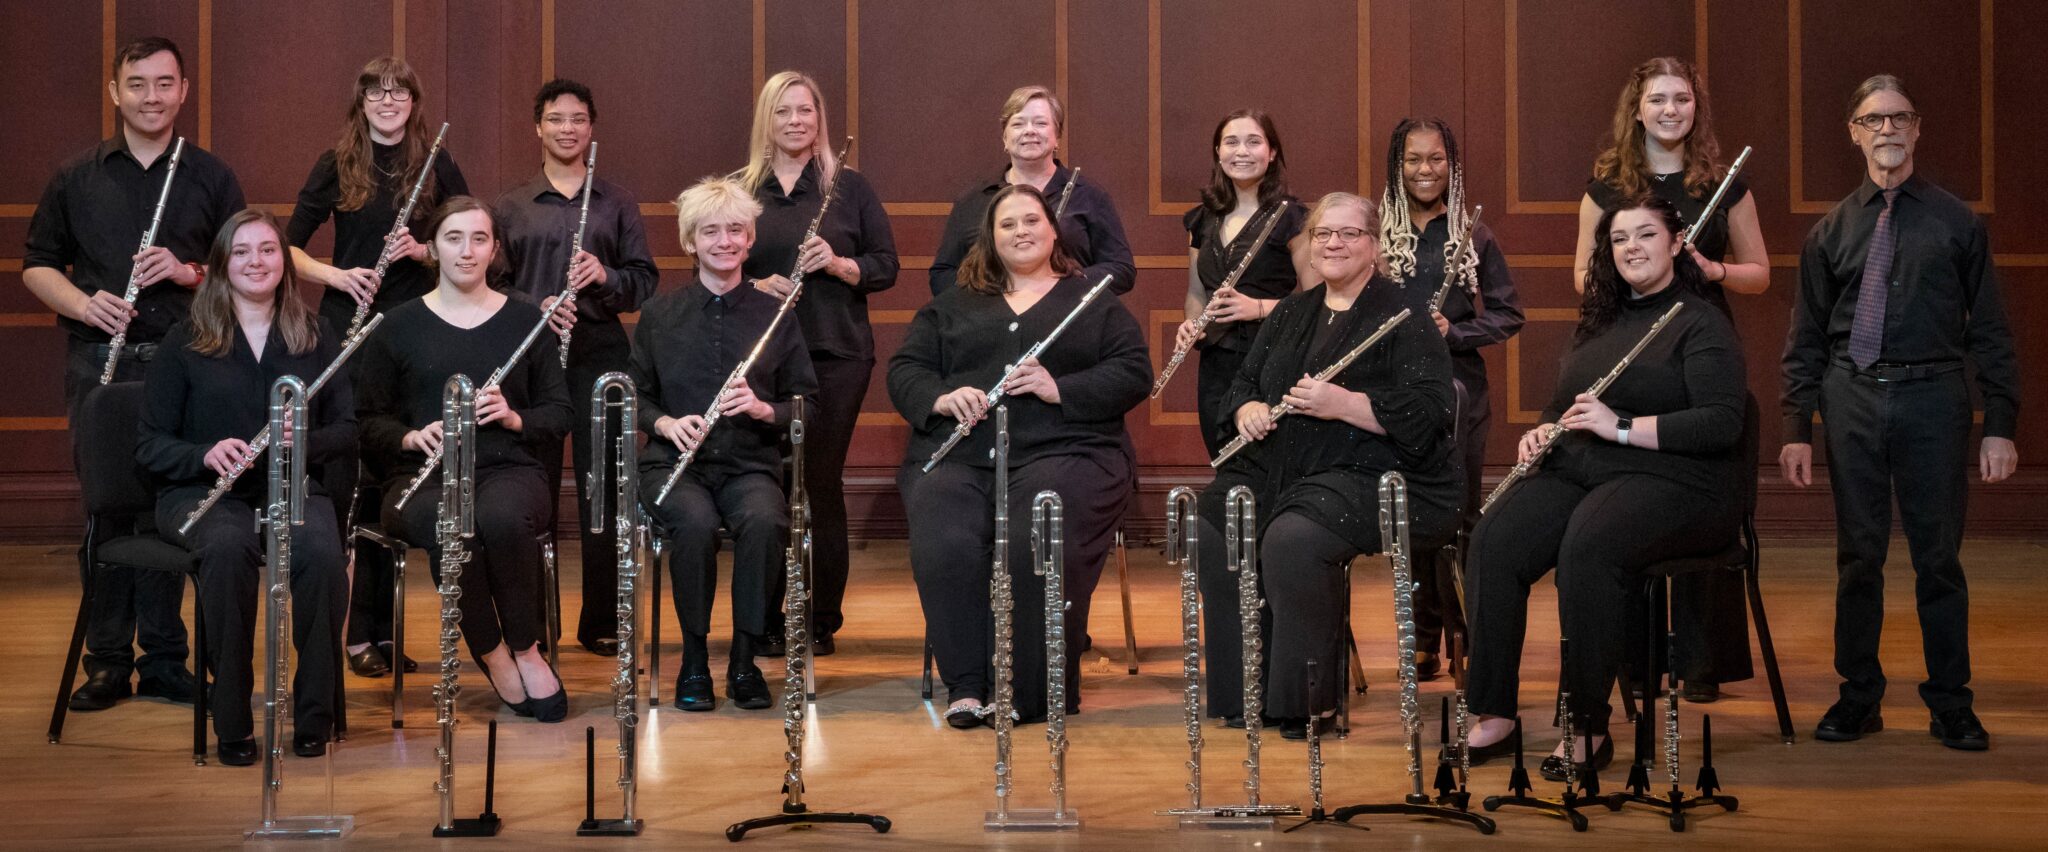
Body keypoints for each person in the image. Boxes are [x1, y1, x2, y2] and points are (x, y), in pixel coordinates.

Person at [1463, 196, 1746, 780]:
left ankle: (1587, 725)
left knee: (1587, 547)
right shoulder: (1601, 319)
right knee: (1495, 538)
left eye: (1646, 235)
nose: (1632, 248)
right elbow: (1568, 400)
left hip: (1679, 479)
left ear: (1675, 244)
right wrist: (1545, 427)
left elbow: (1722, 421)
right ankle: (1493, 712)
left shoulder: (1700, 321)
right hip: (1588, 469)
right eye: (1619, 239)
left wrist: (1619, 427)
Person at [1780, 74, 2017, 751]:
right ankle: (1859, 697)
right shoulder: (1830, 232)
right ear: (1854, 132)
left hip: (1934, 398)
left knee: (1938, 559)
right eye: (1873, 119)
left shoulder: (1956, 223)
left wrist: (1999, 421)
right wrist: (1797, 426)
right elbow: (1805, 338)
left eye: (1899, 118)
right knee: (1858, 558)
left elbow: (1992, 331)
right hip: (1850, 397)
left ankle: (1951, 703)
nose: (1887, 129)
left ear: (1917, 130)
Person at [25, 36, 244, 713]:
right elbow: (37, 265)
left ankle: (166, 660)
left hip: (184, 369)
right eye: (138, 84)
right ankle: (107, 661)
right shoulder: (76, 175)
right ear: (116, 92)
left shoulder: (209, 175)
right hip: (100, 366)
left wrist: (186, 272)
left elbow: (243, 273)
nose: (152, 96)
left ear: (183, 91)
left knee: (171, 510)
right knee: (107, 512)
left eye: (165, 84)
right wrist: (85, 303)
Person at [1195, 191, 1456, 739]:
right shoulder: (1293, 311)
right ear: (1309, 246)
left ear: (1373, 245)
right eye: (1323, 234)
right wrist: (1248, 410)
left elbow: (1431, 410)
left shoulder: (1403, 315)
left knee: (1292, 539)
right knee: (1215, 520)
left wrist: (1347, 404)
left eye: (1348, 234)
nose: (1333, 243)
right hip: (1287, 461)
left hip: (1376, 471)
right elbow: (1244, 384)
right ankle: (1246, 691)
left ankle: (1306, 701)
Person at [891, 185, 1149, 728]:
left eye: (1032, 220)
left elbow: (1133, 373)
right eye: (1007, 224)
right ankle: (966, 683)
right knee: (945, 533)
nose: (1021, 232)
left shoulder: (1091, 299)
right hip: (963, 456)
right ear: (990, 237)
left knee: (1037, 522)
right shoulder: (952, 305)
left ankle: (1026, 688)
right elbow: (905, 370)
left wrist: (1061, 388)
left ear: (1054, 230)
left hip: (1071, 451)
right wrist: (939, 397)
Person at [1575, 57, 1768, 702]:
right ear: (1637, 109)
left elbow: (1759, 273)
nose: (1669, 110)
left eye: (1681, 100)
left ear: (1694, 108)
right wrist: (1637, 265)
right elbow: (1583, 277)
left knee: (1696, 476)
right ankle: (1637, 660)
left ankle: (1701, 660)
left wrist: (1707, 268)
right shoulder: (1605, 188)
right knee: (1631, 496)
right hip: (1635, 343)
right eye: (1656, 99)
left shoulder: (1723, 184)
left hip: (1701, 342)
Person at [139, 209, 351, 765]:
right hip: (203, 491)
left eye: (268, 250)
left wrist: (299, 436)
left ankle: (313, 716)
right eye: (241, 252)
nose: (256, 262)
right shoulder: (185, 339)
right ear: (220, 265)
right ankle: (230, 716)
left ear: (285, 262)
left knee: (324, 555)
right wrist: (203, 452)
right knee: (228, 551)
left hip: (289, 482)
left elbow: (347, 430)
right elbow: (149, 442)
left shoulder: (315, 333)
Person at [355, 196, 573, 722]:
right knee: (454, 522)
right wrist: (410, 437)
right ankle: (492, 650)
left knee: (498, 517)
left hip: (508, 468)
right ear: (431, 248)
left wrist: (515, 417)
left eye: (479, 239)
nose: (467, 251)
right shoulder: (396, 326)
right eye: (454, 238)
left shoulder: (526, 321)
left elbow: (559, 410)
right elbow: (366, 420)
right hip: (421, 477)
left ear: (495, 249)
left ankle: (525, 647)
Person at [285, 55, 468, 679]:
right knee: (351, 484)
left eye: (399, 93)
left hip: (415, 327)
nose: (388, 102)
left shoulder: (434, 162)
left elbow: (467, 233)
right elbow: (287, 247)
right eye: (375, 93)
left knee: (398, 479)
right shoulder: (337, 163)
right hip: (350, 329)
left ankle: (379, 631)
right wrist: (338, 274)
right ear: (360, 102)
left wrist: (423, 250)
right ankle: (349, 637)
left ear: (414, 102)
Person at [635, 176, 818, 711]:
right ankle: (694, 661)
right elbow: (638, 394)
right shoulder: (659, 315)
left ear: (750, 239)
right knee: (691, 526)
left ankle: (744, 660)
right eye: (710, 232)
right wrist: (666, 423)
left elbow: (808, 404)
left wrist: (765, 409)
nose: (724, 241)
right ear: (690, 242)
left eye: (735, 230)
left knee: (766, 522)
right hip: (674, 466)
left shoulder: (775, 317)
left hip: (749, 464)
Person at [492, 78, 659, 658]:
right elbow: (492, 283)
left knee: (605, 488)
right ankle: (534, 621)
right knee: (532, 486)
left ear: (592, 128)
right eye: (557, 119)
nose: (568, 129)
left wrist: (605, 278)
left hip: (599, 354)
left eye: (579, 119)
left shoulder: (617, 202)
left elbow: (644, 281)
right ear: (538, 127)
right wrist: (532, 305)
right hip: (534, 357)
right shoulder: (510, 205)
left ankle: (602, 619)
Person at [737, 71, 896, 655]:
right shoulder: (740, 189)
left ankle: (820, 617)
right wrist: (756, 284)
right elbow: (712, 263)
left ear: (818, 119)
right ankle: (766, 614)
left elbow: (886, 266)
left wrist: (836, 262)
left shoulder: (848, 187)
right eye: (784, 112)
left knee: (817, 480)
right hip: (765, 356)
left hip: (836, 352)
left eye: (806, 110)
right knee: (770, 482)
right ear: (767, 120)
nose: (796, 121)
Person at [1380, 117, 1523, 679]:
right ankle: (1421, 635)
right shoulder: (1375, 231)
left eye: (1435, 159)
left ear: (1451, 164)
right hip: (1396, 391)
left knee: (1459, 515)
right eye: (1413, 159)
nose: (1424, 170)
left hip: (1462, 391)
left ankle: (1465, 634)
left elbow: (1509, 314)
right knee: (1410, 515)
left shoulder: (1472, 232)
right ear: (1397, 164)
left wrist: (1454, 332)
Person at [1172, 108, 1310, 457]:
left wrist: (1258, 308)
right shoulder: (1203, 218)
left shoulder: (1293, 218)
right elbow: (1195, 291)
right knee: (1222, 458)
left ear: (1272, 152)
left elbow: (1319, 299)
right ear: (1218, 152)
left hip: (1272, 355)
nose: (1242, 152)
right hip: (1217, 361)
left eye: (1254, 142)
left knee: (1266, 460)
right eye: (1231, 142)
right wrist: (1191, 322)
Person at [929, 85, 1133, 297]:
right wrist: (992, 292)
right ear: (1005, 138)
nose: (1029, 130)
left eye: (1041, 123)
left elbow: (1121, 269)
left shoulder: (1090, 196)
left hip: (1070, 320)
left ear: (1057, 138)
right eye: (1018, 123)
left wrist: (1064, 283)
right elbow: (942, 275)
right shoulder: (971, 201)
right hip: (992, 323)